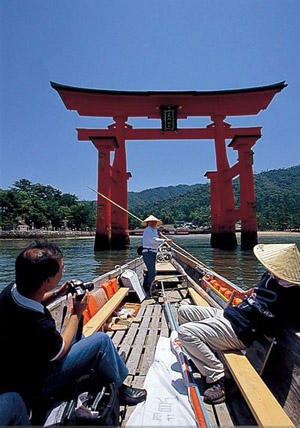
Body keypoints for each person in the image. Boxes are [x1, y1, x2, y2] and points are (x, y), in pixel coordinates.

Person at [0, 241, 147, 421]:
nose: (64, 271)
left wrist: (58, 294)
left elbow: (36, 298)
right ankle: (121, 388)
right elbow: (60, 350)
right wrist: (76, 313)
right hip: (38, 383)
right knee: (101, 341)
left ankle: (100, 367)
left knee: (80, 336)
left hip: (22, 368)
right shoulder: (38, 323)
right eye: (61, 268)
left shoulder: (13, 291)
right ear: (48, 281)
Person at [178, 243, 300, 405]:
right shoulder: (269, 276)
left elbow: (286, 324)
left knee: (185, 332)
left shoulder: (293, 297)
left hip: (241, 330)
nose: (269, 268)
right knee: (183, 312)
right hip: (230, 314)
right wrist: (249, 293)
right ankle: (205, 356)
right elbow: (259, 293)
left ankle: (220, 377)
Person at [141, 215, 171, 291]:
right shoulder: (147, 230)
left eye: (155, 222)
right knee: (152, 272)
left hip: (153, 252)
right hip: (148, 252)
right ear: (148, 223)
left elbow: (156, 242)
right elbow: (153, 240)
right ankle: (152, 289)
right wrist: (164, 240)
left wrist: (160, 237)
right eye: (152, 222)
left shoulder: (154, 231)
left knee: (151, 271)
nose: (154, 223)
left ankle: (147, 286)